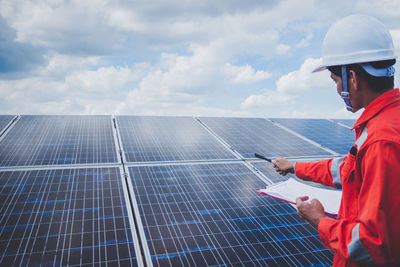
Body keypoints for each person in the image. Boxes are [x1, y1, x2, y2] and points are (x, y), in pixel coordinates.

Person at [272, 14, 400, 266]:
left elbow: (373, 246)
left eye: (335, 80)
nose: (337, 89)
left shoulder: (380, 141)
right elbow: (347, 170)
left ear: (352, 78)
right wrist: (295, 168)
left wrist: (319, 220)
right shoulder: (388, 123)